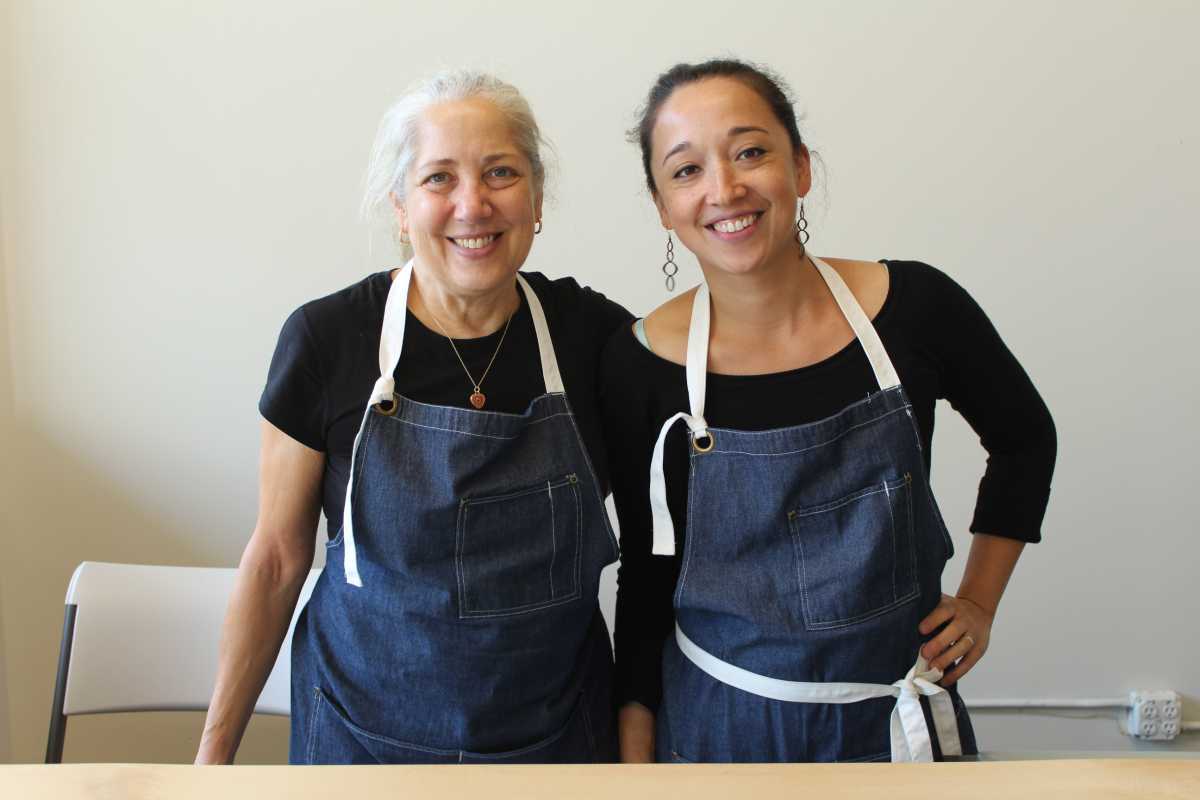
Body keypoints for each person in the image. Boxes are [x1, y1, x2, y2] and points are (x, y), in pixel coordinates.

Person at [603, 59, 1056, 763]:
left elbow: (1025, 438)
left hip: (897, 724)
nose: (725, 189)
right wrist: (636, 766)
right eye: (687, 170)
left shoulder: (916, 309)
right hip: (720, 733)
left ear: (801, 168)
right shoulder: (639, 365)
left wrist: (978, 604)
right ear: (663, 206)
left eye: (750, 152)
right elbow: (646, 577)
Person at [196, 70, 630, 764]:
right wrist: (213, 759)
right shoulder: (327, 340)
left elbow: (660, 550)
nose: (473, 204)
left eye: (500, 172)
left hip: (555, 745)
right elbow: (275, 560)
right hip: (358, 743)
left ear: (537, 197)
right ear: (400, 206)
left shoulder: (597, 341)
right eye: (439, 179)